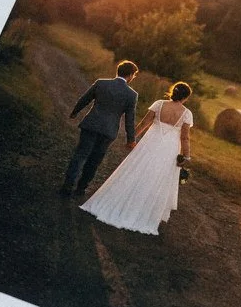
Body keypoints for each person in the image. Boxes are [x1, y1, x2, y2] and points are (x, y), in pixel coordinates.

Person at [80, 81, 193, 235]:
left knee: (136, 170)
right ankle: (143, 212)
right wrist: (186, 156)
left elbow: (144, 123)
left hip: (150, 143)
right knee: (156, 178)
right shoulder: (186, 113)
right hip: (169, 150)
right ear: (186, 97)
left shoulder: (159, 104)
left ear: (173, 92)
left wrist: (132, 139)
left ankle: (119, 203)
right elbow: (185, 138)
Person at [61, 59, 139, 197]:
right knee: (95, 160)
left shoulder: (101, 83)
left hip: (91, 124)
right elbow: (129, 119)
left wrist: (75, 111)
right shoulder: (131, 94)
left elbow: (85, 99)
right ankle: (81, 188)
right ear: (130, 75)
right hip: (108, 131)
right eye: (134, 75)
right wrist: (131, 139)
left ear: (118, 71)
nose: (133, 77)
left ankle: (67, 186)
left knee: (80, 155)